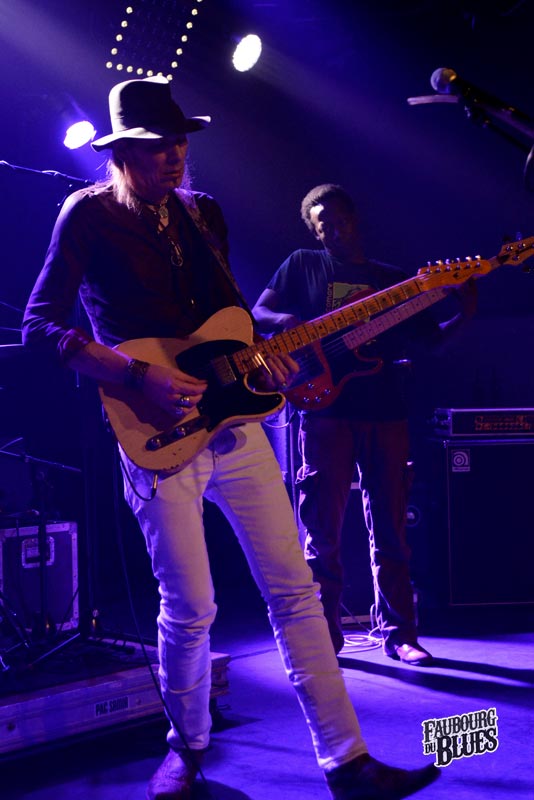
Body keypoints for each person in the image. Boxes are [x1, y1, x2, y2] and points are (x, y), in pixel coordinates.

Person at [22, 79, 440, 800]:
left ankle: (348, 761)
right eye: (157, 146)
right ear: (122, 153)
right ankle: (185, 753)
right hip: (154, 433)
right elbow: (40, 326)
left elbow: (232, 318)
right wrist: (137, 375)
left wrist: (267, 359)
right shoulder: (86, 215)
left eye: (179, 143)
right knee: (191, 607)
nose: (174, 156)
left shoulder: (203, 213)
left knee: (296, 590)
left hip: (237, 426)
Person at [253, 183, 476, 666]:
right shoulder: (302, 264)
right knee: (322, 531)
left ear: (355, 219)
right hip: (324, 411)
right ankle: (324, 637)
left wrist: (464, 311)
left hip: (385, 409)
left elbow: (431, 342)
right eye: (323, 226)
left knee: (392, 528)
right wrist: (284, 320)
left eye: (340, 221)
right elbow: (259, 311)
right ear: (314, 232)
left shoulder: (392, 281)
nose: (334, 231)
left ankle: (400, 634)